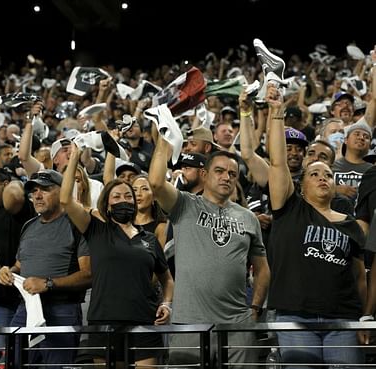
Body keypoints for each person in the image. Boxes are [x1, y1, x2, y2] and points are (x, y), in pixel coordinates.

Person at [266, 83, 368, 367]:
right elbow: (276, 163)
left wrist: (364, 316)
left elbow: (359, 278)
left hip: (343, 320)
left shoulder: (349, 224)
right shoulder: (290, 209)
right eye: (314, 174)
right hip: (296, 316)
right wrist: (276, 113)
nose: (323, 177)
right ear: (301, 186)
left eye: (328, 175)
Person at [148, 132, 270, 368]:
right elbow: (155, 183)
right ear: (204, 174)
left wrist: (254, 309)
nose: (227, 177)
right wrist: (165, 137)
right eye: (220, 171)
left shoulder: (248, 218)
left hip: (237, 325)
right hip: (190, 323)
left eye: (232, 174)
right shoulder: (184, 204)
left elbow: (263, 269)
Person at [60, 142, 174, 367]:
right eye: (117, 196)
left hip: (144, 321)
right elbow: (66, 200)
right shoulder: (96, 229)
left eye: (128, 196)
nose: (124, 200)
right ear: (107, 204)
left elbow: (167, 278)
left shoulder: (149, 239)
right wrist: (74, 158)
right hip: (105, 320)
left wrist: (167, 304)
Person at [0, 168, 91, 368]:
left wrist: (48, 283)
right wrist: (8, 273)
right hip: (26, 308)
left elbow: (88, 275)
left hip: (62, 309)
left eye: (45, 189)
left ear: (63, 191)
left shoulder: (76, 224)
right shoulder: (29, 226)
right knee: (13, 362)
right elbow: (20, 265)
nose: (37, 195)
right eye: (34, 190)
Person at [0, 168, 35, 352]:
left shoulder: (17, 209)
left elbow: (14, 196)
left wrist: (14, 180)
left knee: (5, 354)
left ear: (4, 184)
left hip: (11, 298)